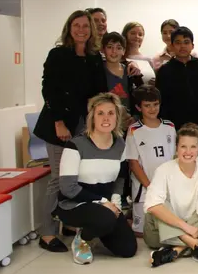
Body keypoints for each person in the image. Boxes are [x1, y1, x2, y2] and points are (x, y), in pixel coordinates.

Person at [34, 9, 109, 253]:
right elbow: (49, 90)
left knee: (76, 177)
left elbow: (98, 93)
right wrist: (58, 121)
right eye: (77, 25)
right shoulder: (58, 55)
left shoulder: (94, 57)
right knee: (58, 178)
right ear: (69, 28)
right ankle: (45, 232)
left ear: (92, 31)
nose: (81, 30)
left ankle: (67, 221)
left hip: (82, 125)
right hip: (59, 124)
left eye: (86, 26)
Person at [54, 93, 138, 264]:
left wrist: (115, 201)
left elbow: (120, 179)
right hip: (73, 204)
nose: (106, 118)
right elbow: (68, 188)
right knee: (105, 217)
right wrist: (102, 202)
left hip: (104, 205)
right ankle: (83, 238)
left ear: (117, 117)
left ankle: (96, 228)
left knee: (128, 249)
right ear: (92, 117)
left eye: (111, 113)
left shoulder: (120, 144)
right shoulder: (75, 145)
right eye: (100, 113)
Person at [143, 124, 198, 267]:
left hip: (190, 228)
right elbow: (152, 206)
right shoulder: (164, 170)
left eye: (193, 147)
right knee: (160, 206)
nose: (188, 151)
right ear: (176, 148)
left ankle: (176, 250)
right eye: (183, 146)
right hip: (158, 232)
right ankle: (196, 246)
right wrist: (186, 228)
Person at [125, 86, 176, 236]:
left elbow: (174, 157)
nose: (152, 109)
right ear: (138, 107)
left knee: (167, 226)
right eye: (147, 106)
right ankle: (126, 219)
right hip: (144, 187)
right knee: (142, 232)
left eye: (155, 104)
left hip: (167, 187)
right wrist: (150, 186)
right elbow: (133, 163)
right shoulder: (134, 130)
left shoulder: (170, 126)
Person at [156, 26, 198, 130]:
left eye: (186, 42)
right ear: (171, 46)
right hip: (174, 126)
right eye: (178, 42)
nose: (182, 46)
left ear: (192, 45)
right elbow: (162, 103)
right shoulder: (164, 71)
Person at [101, 32, 143, 124]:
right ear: (103, 50)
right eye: (110, 47)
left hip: (129, 122)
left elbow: (141, 97)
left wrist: (135, 117)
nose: (114, 51)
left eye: (119, 48)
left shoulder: (132, 71)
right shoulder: (98, 73)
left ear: (124, 51)